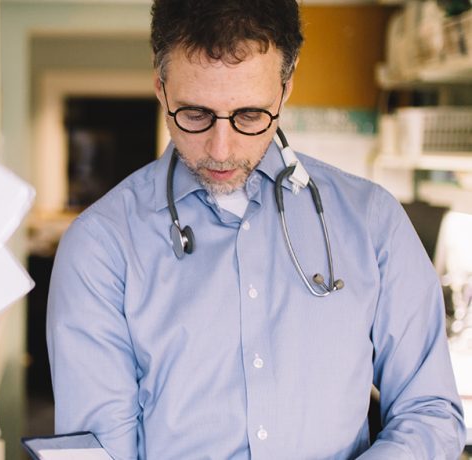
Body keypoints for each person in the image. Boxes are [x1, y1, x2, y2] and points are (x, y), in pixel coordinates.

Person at [46, 0, 466, 458]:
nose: (221, 150)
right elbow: (104, 450)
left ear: (285, 88)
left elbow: (429, 410)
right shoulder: (100, 246)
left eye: (249, 115)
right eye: (195, 114)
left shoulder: (374, 222)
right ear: (159, 84)